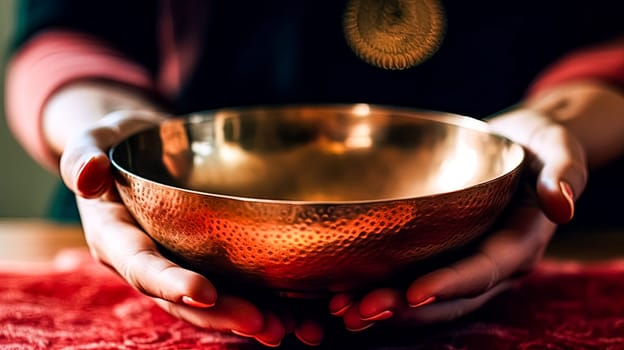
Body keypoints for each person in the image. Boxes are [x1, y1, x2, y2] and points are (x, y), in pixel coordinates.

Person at [4, 0, 624, 347]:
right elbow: (65, 32)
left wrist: (555, 124)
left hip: (533, 230)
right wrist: (111, 125)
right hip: (178, 214)